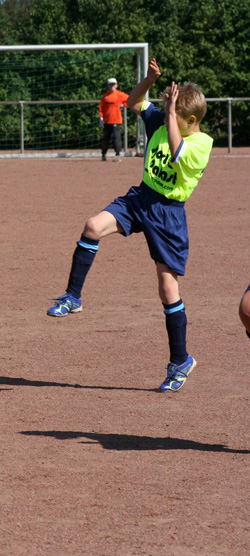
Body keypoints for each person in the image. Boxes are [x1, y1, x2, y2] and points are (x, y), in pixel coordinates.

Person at [47, 59, 213, 393]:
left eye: (174, 114)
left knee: (168, 290)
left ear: (190, 120)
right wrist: (149, 80)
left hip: (168, 214)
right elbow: (133, 101)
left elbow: (178, 151)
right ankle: (73, 296)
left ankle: (180, 360)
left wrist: (168, 115)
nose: (167, 116)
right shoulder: (163, 120)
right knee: (93, 226)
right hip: (141, 198)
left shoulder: (201, 144)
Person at [99, 77, 129, 162]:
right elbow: (101, 107)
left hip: (116, 120)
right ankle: (103, 154)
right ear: (108, 86)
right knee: (105, 138)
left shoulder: (120, 94)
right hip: (107, 121)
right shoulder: (105, 96)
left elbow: (130, 99)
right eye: (110, 84)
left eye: (113, 84)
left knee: (117, 138)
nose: (112, 86)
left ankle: (118, 154)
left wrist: (124, 105)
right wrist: (101, 117)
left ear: (116, 85)